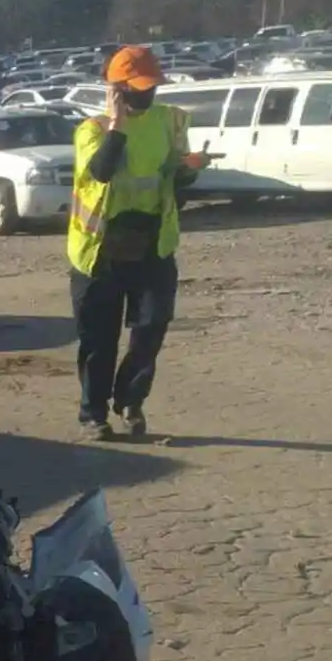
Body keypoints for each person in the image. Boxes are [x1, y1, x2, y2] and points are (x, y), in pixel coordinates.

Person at [67, 46, 210, 442]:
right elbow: (101, 171)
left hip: (152, 244)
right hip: (100, 249)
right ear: (115, 90)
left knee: (152, 326)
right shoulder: (93, 130)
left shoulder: (169, 122)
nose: (146, 96)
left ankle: (130, 400)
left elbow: (174, 176)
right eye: (137, 89)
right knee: (99, 339)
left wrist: (190, 170)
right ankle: (93, 415)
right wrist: (117, 124)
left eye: (151, 88)